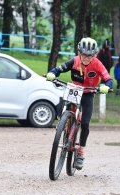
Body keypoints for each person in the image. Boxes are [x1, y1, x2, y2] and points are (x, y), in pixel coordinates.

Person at [46, 37, 113, 170]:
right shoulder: (75, 61)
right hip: (74, 90)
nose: (86, 58)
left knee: (85, 123)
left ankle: (81, 152)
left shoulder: (98, 64)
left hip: (88, 93)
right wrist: (52, 73)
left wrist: (107, 86)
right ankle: (63, 125)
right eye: (84, 55)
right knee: (63, 105)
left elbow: (108, 79)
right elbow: (60, 69)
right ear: (79, 53)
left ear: (94, 55)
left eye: (90, 56)